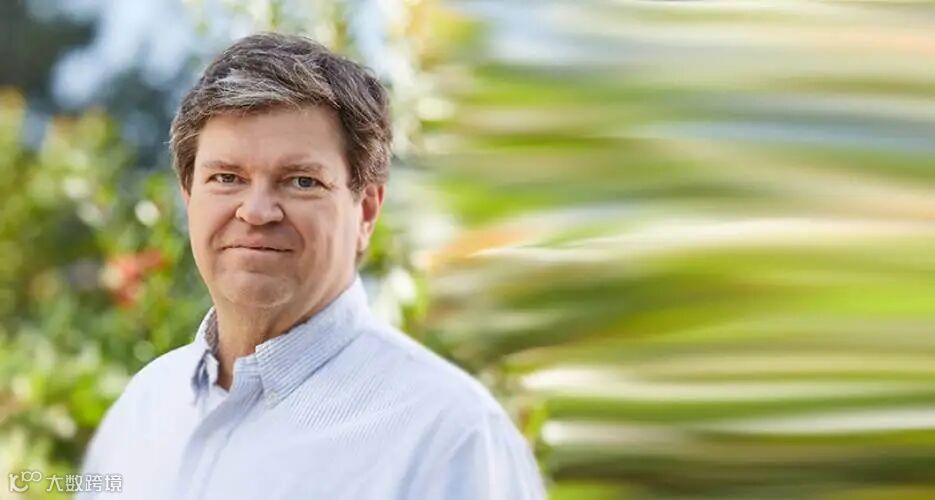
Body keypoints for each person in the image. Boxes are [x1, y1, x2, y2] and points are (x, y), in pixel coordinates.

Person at [78, 32, 545, 500]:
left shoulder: (453, 438)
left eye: (301, 181)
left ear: (366, 211)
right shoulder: (144, 406)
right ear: (188, 196)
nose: (256, 211)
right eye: (226, 177)